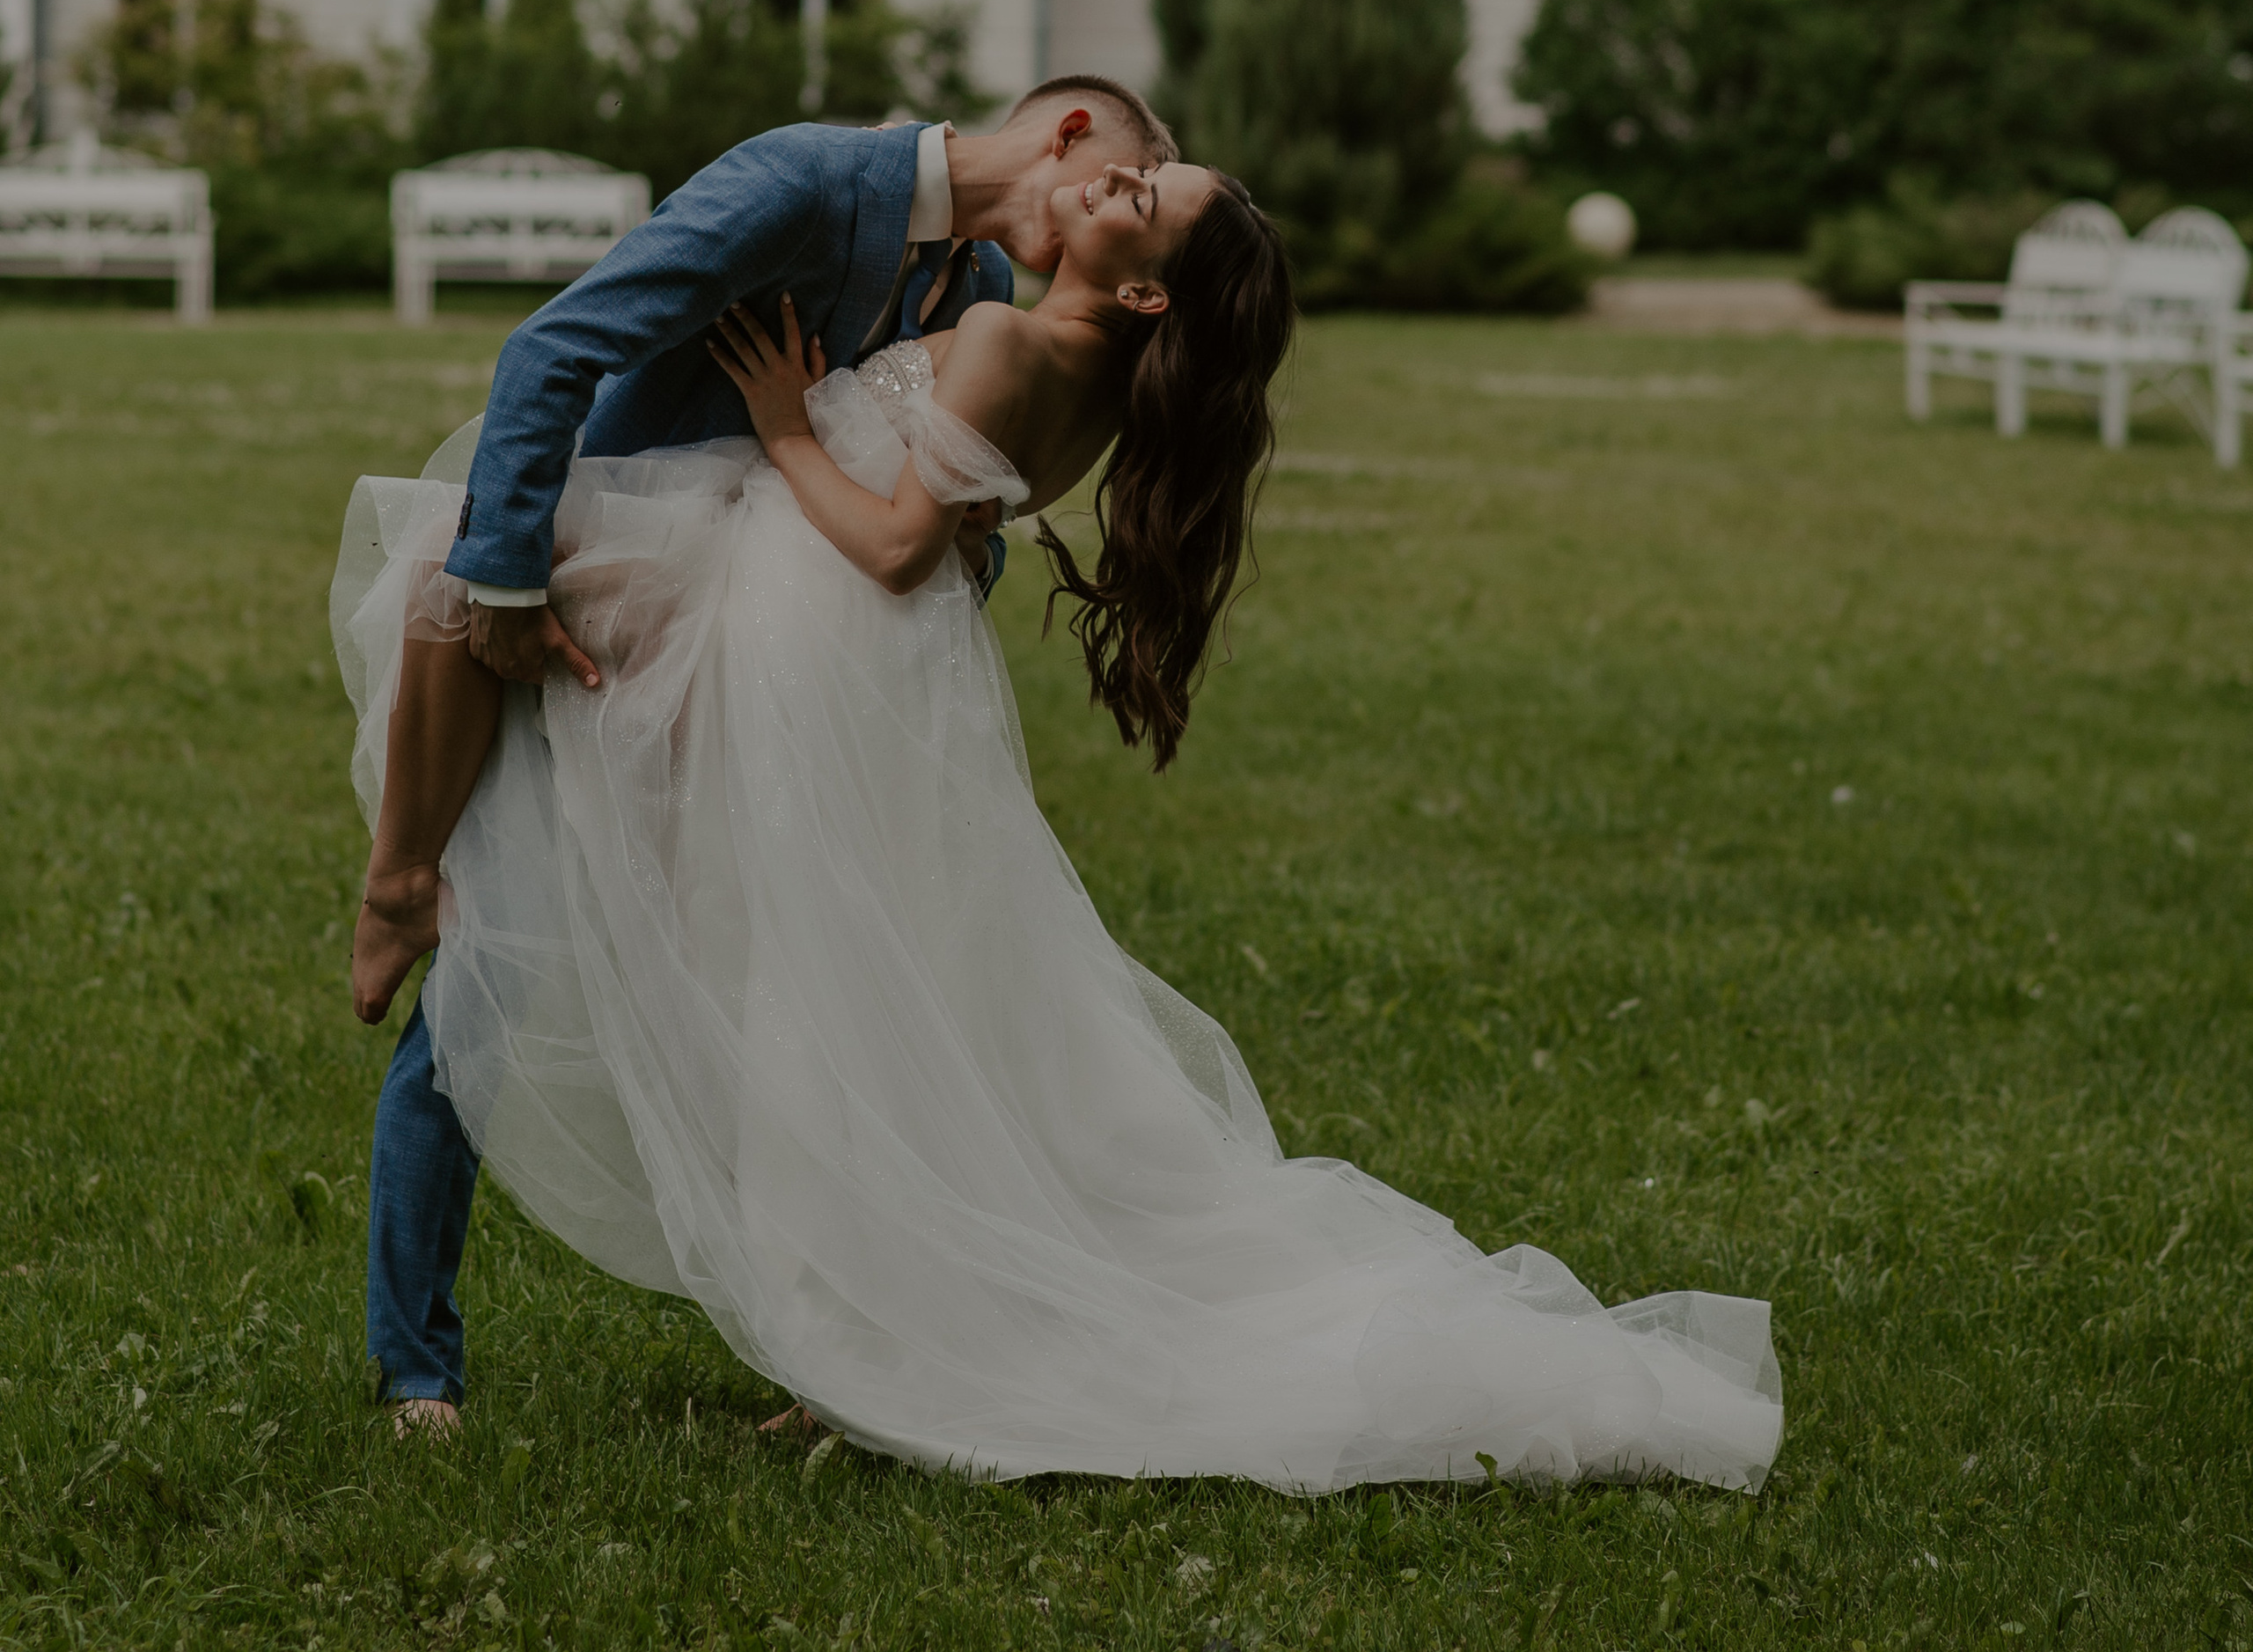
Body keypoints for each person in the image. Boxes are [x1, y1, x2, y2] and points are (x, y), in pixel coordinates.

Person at [334, 142, 1784, 1493]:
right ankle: (842, 1334)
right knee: (830, 995)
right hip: (860, 646)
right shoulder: (1086, 373)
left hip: (813, 605)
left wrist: (784, 423)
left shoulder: (1008, 335)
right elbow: (957, 522)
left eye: (1139, 193)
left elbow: (900, 548)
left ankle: (410, 882)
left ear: (1142, 282)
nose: (1111, 178)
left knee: (460, 595)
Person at [346, 74, 1174, 1429]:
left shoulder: (974, 286)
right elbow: (551, 355)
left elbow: (933, 498)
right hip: (581, 584)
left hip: (743, 663)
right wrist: (505, 595)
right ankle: (416, 1365)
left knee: (759, 1001)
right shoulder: (800, 184)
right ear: (1075, 136)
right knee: (484, 972)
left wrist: (956, 550)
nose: (1107, 215)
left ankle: (831, 1346)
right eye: (1128, 179)